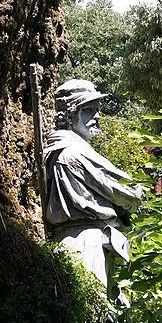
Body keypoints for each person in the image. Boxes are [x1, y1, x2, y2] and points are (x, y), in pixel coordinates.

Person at [44, 79, 142, 300]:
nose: (97, 115)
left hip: (75, 242)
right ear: (69, 115)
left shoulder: (59, 150)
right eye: (88, 110)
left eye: (97, 109)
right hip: (87, 244)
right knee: (91, 322)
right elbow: (131, 193)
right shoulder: (74, 152)